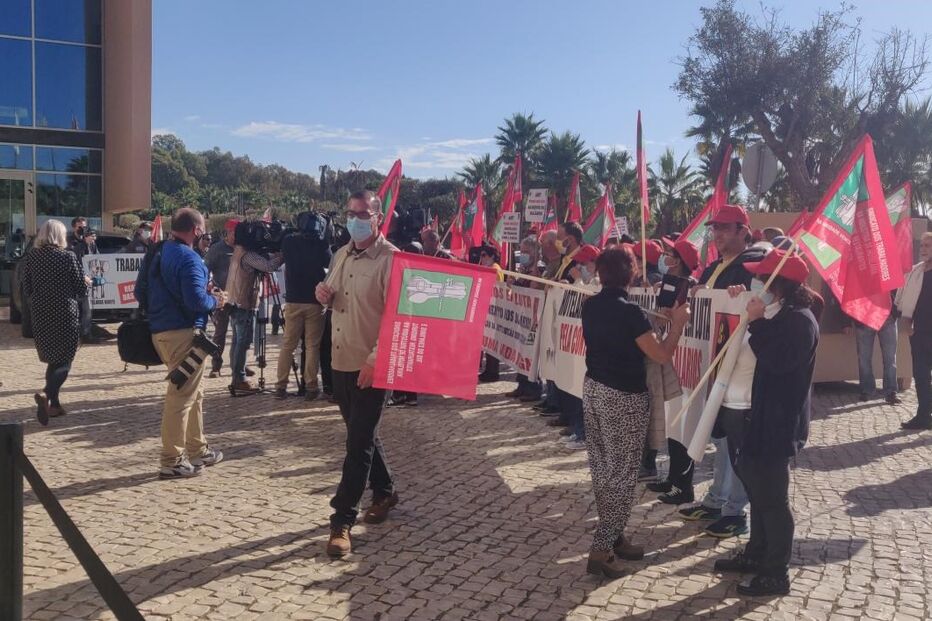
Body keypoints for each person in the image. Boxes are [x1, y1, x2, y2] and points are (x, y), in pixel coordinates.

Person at [715, 250, 819, 596]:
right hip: (747, 415)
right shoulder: (769, 311)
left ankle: (776, 572)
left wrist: (757, 322)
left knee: (773, 499)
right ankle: (756, 552)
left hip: (775, 422)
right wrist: (739, 304)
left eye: (762, 277)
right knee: (758, 493)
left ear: (781, 285)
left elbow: (778, 361)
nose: (754, 282)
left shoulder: (799, 320)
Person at [581, 246, 690, 578]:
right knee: (622, 475)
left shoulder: (590, 305)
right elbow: (659, 355)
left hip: (594, 389)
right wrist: (678, 325)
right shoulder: (629, 313)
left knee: (603, 469)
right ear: (631, 274)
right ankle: (601, 548)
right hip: (623, 397)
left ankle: (614, 536)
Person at [660, 205, 763, 540]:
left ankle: (735, 508)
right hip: (713, 365)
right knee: (720, 438)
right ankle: (717, 499)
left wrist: (739, 298)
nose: (717, 234)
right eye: (714, 228)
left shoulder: (752, 266)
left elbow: (757, 307)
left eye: (724, 228)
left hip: (738, 369)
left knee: (735, 441)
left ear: (742, 230)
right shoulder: (715, 267)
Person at [315, 190, 398, 558]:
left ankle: (341, 521)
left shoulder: (391, 260)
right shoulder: (341, 253)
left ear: (378, 217)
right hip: (339, 359)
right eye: (350, 213)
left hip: (370, 365)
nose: (355, 219)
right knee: (360, 434)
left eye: (362, 213)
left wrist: (376, 359)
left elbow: (397, 316)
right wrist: (325, 295)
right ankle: (384, 491)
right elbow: (336, 293)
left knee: (357, 445)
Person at [134, 208, 227, 479]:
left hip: (159, 331)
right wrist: (217, 301)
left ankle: (198, 449)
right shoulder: (190, 258)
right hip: (184, 334)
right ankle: (172, 459)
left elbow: (141, 291)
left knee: (194, 393)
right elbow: (196, 301)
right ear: (197, 230)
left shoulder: (157, 251)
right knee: (181, 397)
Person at [639, 237, 701, 480]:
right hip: (660, 352)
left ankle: (659, 467)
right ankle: (648, 461)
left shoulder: (690, 285)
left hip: (679, 359)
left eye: (669, 254)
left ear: (679, 261)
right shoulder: (663, 283)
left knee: (671, 415)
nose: (664, 258)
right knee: (652, 407)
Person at [21, 220, 89, 425]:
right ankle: (46, 393)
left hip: (41, 313)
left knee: (53, 358)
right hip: (64, 312)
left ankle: (54, 405)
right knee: (66, 359)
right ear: (61, 236)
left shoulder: (31, 257)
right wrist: (86, 281)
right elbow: (80, 288)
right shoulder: (67, 256)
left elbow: (26, 287)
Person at [275, 211, 333, 401]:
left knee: (288, 345)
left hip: (292, 300)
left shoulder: (289, 241)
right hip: (315, 303)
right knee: (312, 346)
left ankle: (280, 386)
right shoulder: (322, 243)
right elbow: (329, 262)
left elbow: (281, 241)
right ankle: (311, 386)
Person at [225, 222, 284, 394]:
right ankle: (239, 378)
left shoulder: (238, 251)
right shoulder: (248, 255)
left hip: (234, 301)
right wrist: (282, 255)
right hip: (244, 303)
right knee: (242, 343)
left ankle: (238, 372)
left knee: (237, 341)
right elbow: (268, 267)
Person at [896, 232, 932, 430]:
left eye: (928, 246)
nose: (924, 249)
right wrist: (907, 321)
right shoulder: (916, 272)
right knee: (921, 375)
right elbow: (908, 300)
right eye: (923, 245)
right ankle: (924, 416)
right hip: (918, 333)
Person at [506, 235, 545, 403]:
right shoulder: (522, 270)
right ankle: (521, 385)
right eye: (521, 251)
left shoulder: (540, 270)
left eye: (526, 252)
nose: (522, 255)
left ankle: (533, 388)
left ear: (536, 253)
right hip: (521, 320)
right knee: (521, 352)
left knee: (531, 354)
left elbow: (534, 290)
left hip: (534, 321)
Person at [845, 299, 900, 403]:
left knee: (889, 358)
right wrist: (846, 321)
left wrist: (896, 312)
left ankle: (890, 391)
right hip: (864, 316)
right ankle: (867, 389)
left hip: (887, 316)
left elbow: (899, 289)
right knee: (864, 358)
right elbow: (849, 294)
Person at [204, 219, 238, 378]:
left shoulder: (243, 248)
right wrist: (212, 289)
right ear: (228, 233)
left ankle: (239, 365)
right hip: (222, 297)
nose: (237, 237)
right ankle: (216, 366)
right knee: (220, 333)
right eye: (235, 233)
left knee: (241, 335)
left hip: (240, 296)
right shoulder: (216, 249)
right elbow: (206, 271)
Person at [68, 216, 98, 343]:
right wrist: (83, 243)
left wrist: (90, 243)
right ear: (74, 227)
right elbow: (71, 256)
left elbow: (97, 257)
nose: (82, 229)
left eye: (84, 227)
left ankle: (86, 334)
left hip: (88, 279)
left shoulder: (91, 242)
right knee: (72, 310)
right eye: (80, 227)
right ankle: (71, 334)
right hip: (73, 280)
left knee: (87, 309)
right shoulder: (68, 241)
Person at [478, 246, 505, 383]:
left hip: (494, 309)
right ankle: (489, 370)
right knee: (488, 342)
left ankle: (492, 371)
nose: (481, 258)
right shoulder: (491, 268)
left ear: (492, 256)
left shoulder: (495, 268)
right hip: (489, 308)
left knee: (492, 342)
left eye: (484, 255)